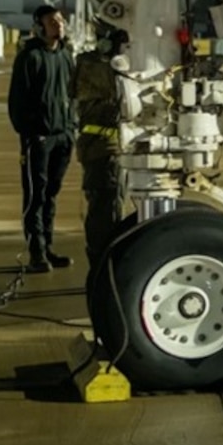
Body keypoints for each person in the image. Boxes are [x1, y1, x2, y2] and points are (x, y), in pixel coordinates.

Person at [8, 4, 76, 273]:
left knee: (51, 194)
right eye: (52, 21)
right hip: (39, 138)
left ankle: (47, 246)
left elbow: (72, 93)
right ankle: (36, 251)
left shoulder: (65, 55)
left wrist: (71, 127)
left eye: (60, 20)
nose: (58, 24)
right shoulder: (30, 57)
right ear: (39, 26)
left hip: (63, 135)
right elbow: (17, 100)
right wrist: (29, 132)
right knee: (36, 194)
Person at [74, 23, 131, 271]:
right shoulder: (92, 65)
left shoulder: (108, 64)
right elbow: (112, 90)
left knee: (113, 205)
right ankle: (101, 265)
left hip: (111, 149)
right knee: (104, 210)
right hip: (101, 149)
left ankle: (107, 261)